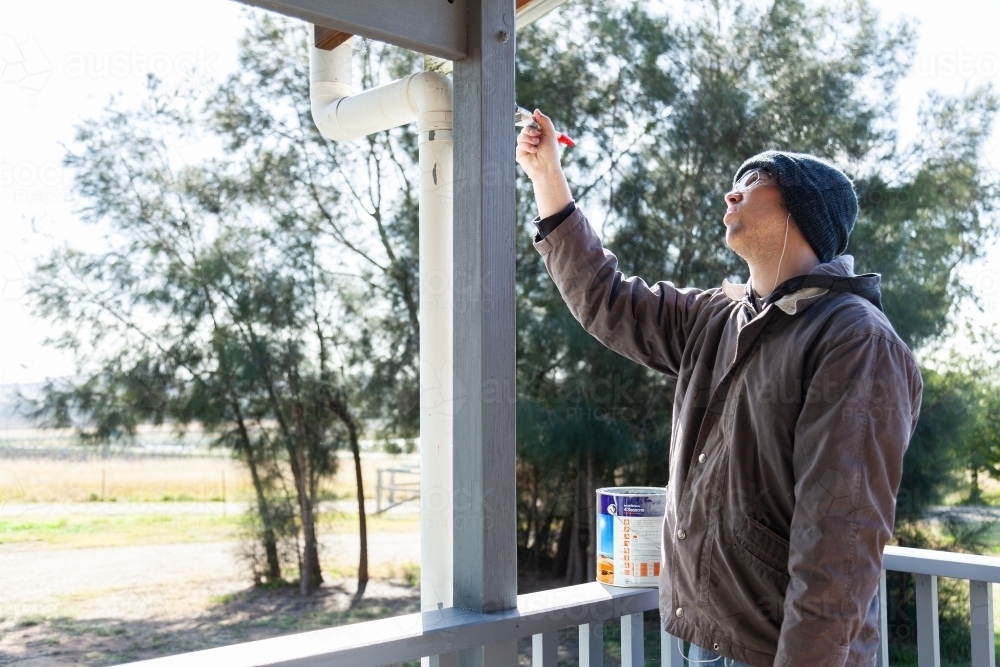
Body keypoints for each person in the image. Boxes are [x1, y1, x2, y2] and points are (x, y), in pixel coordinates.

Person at [516, 109, 923, 667]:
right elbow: (605, 298)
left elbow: (842, 540)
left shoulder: (854, 340)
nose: (732, 195)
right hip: (703, 639)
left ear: (804, 211)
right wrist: (545, 175)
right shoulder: (716, 317)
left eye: (754, 182)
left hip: (780, 650)